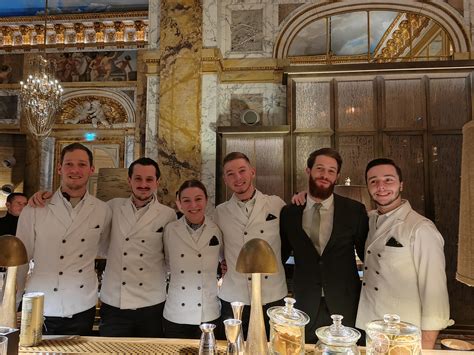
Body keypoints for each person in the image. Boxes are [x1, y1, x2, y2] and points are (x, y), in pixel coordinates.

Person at [16, 143, 112, 335]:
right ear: (59, 168)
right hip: (40, 301)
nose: (75, 170)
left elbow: (103, 249)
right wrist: (13, 299)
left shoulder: (103, 210)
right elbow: (22, 258)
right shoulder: (35, 208)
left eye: (82, 164)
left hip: (82, 302)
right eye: (69, 164)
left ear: (92, 170)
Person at [356, 158, 452, 349]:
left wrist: (426, 345)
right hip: (372, 327)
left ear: (401, 185)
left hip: (404, 332)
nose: (381, 186)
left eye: (388, 180)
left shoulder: (420, 228)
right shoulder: (369, 219)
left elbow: (435, 292)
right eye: (373, 181)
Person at [281, 147, 368, 343]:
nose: (324, 175)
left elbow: (367, 256)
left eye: (331, 171)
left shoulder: (354, 211)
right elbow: (281, 255)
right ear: (308, 170)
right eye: (320, 168)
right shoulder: (289, 213)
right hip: (304, 303)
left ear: (337, 176)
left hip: (345, 304)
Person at [99, 157, 176, 337]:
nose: (143, 184)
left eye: (149, 179)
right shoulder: (112, 207)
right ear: (129, 180)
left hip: (152, 304)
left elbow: (171, 258)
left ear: (157, 182)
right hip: (114, 303)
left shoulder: (168, 214)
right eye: (138, 179)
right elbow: (100, 246)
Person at [214, 152, 288, 337]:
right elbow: (218, 249)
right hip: (234, 296)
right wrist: (223, 262)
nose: (237, 178)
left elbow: (289, 241)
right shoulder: (219, 212)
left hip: (272, 294)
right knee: (234, 345)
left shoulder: (276, 204)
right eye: (230, 173)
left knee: (274, 346)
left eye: (242, 171)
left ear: (252, 172)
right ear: (225, 179)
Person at [163, 179, 223, 339]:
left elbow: (225, 259)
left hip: (209, 312)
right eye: (186, 201)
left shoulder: (217, 229)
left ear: (206, 200)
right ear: (179, 204)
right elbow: (167, 263)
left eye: (198, 199)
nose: (193, 205)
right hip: (176, 313)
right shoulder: (170, 230)